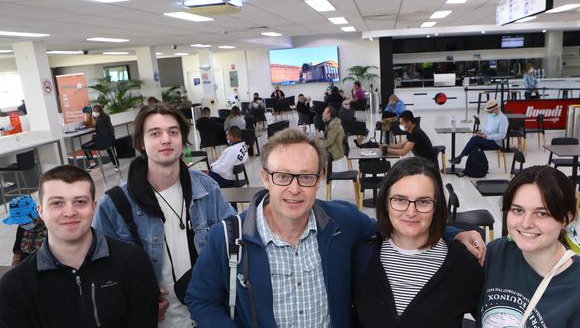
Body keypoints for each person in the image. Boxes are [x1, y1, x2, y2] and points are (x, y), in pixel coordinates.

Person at [185, 128, 486, 327]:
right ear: (264, 178)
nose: (294, 189)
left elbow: (393, 225)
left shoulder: (341, 222)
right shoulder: (228, 237)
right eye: (282, 177)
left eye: (306, 177)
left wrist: (451, 232)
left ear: (320, 179)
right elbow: (201, 299)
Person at [93, 103, 235, 328]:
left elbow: (234, 245)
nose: (166, 139)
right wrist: (134, 302)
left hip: (208, 316)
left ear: (183, 139)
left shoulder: (207, 190)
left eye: (173, 132)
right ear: (141, 142)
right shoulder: (114, 205)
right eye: (155, 133)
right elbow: (99, 274)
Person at [0, 165, 159, 327]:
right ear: (40, 211)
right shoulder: (14, 287)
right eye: (57, 203)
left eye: (80, 201)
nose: (69, 212)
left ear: (93, 207)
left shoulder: (133, 262)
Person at [478, 166, 580, 327]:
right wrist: (457, 235)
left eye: (542, 213)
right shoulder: (496, 254)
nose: (526, 223)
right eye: (518, 210)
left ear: (565, 219)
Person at [353, 157, 483, 327]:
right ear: (386, 202)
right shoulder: (363, 256)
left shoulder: (463, 263)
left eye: (423, 202)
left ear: (436, 207)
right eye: (400, 200)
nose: (411, 212)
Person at [450, 100, 508, 164]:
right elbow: (485, 127)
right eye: (489, 112)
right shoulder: (490, 116)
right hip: (486, 138)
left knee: (474, 140)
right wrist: (481, 132)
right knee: (474, 144)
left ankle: (460, 158)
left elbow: (502, 135)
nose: (489, 113)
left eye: (490, 112)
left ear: (496, 109)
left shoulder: (503, 119)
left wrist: (487, 136)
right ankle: (473, 166)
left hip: (495, 143)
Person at [2, 196, 47, 266]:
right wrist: (15, 265)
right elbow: (17, 250)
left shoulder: (50, 227)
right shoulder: (22, 228)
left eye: (25, 222)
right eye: (19, 223)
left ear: (35, 215)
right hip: (24, 266)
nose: (22, 225)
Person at [82, 104, 119, 171]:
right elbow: (104, 129)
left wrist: (94, 137)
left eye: (94, 111)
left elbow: (102, 132)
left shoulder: (98, 120)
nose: (93, 112)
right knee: (110, 150)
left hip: (101, 144)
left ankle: (92, 163)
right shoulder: (106, 116)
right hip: (110, 141)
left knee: (84, 146)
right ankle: (116, 164)